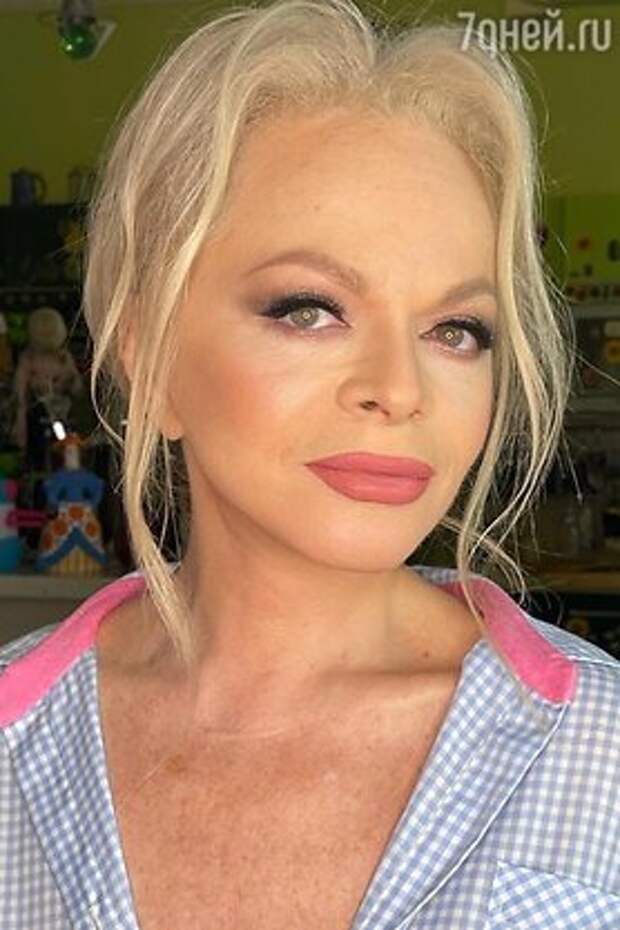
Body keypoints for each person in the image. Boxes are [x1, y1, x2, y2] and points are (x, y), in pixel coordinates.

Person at [1, 1, 618, 927]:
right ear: (149, 358)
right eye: (310, 309)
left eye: (457, 330)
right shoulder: (14, 741)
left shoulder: (600, 751)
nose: (398, 389)